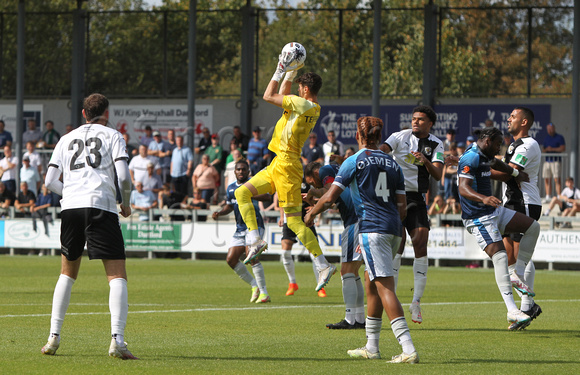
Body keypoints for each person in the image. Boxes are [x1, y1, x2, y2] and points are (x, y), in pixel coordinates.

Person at [305, 116, 418, 363]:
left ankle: (408, 348)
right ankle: (371, 346)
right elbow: (402, 207)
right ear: (380, 137)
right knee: (370, 283)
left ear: (358, 135)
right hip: (394, 229)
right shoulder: (393, 163)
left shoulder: (354, 161)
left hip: (371, 228)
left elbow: (330, 197)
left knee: (384, 287)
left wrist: (312, 213)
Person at [41, 93, 137, 359]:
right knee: (117, 275)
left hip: (71, 207)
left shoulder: (65, 138)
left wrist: (70, 193)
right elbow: (123, 176)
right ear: (107, 113)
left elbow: (49, 181)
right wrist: (125, 202)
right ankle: (117, 339)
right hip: (101, 205)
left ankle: (53, 338)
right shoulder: (113, 136)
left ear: (84, 113)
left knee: (67, 274)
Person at [233, 53, 335, 292]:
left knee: (295, 222)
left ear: (306, 89)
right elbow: (284, 93)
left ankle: (322, 264)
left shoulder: (304, 104)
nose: (296, 91)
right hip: (277, 164)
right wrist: (291, 72)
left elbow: (269, 95)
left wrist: (280, 69)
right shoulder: (302, 106)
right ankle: (256, 240)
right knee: (242, 194)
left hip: (288, 167)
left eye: (300, 87)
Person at [458, 126, 540, 330]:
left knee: (533, 227)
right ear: (487, 141)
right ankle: (512, 310)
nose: (499, 148)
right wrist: (484, 197)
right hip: (478, 217)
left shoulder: (484, 155)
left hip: (495, 211)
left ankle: (517, 272)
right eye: (497, 144)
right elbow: (463, 188)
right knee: (501, 256)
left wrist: (515, 173)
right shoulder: (470, 158)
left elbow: (496, 163)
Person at [379, 105, 444, 324]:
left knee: (421, 242)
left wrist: (425, 161)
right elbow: (382, 150)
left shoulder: (436, 144)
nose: (415, 122)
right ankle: (394, 298)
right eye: (414, 118)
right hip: (395, 197)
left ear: (430, 123)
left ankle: (416, 302)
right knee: (397, 245)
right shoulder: (400, 136)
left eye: (421, 119)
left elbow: (437, 174)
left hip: (416, 198)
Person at [304, 162, 365, 329]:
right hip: (362, 219)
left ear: (315, 173)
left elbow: (328, 191)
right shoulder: (338, 170)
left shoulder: (324, 170)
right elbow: (332, 200)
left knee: (346, 272)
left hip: (354, 222)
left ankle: (350, 319)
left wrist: (312, 194)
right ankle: (359, 318)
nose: (312, 185)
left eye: (311, 182)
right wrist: (316, 204)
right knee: (354, 272)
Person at [497, 107, 543, 329]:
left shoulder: (528, 144)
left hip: (525, 202)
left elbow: (510, 171)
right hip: (512, 201)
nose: (508, 119)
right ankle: (528, 305)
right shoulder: (514, 145)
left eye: (513, 117)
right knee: (510, 255)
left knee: (516, 254)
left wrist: (477, 167)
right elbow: (508, 169)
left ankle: (526, 305)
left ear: (524, 122)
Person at [212, 160, 271, 304]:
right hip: (240, 228)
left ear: (248, 171)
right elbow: (230, 206)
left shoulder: (253, 184)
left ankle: (264, 293)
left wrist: (249, 195)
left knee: (252, 257)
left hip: (254, 225)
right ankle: (254, 285)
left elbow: (268, 196)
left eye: (244, 169)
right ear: (234, 172)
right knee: (231, 260)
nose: (241, 172)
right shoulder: (231, 188)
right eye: (238, 169)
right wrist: (220, 213)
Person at [542, 123, 566, 202]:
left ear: (554, 128)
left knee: (556, 179)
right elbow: (543, 149)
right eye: (548, 129)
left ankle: (558, 195)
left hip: (556, 161)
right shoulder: (546, 138)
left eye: (551, 129)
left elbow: (562, 148)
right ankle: (548, 196)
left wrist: (552, 149)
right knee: (547, 179)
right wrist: (547, 149)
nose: (549, 130)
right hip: (547, 161)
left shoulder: (559, 137)